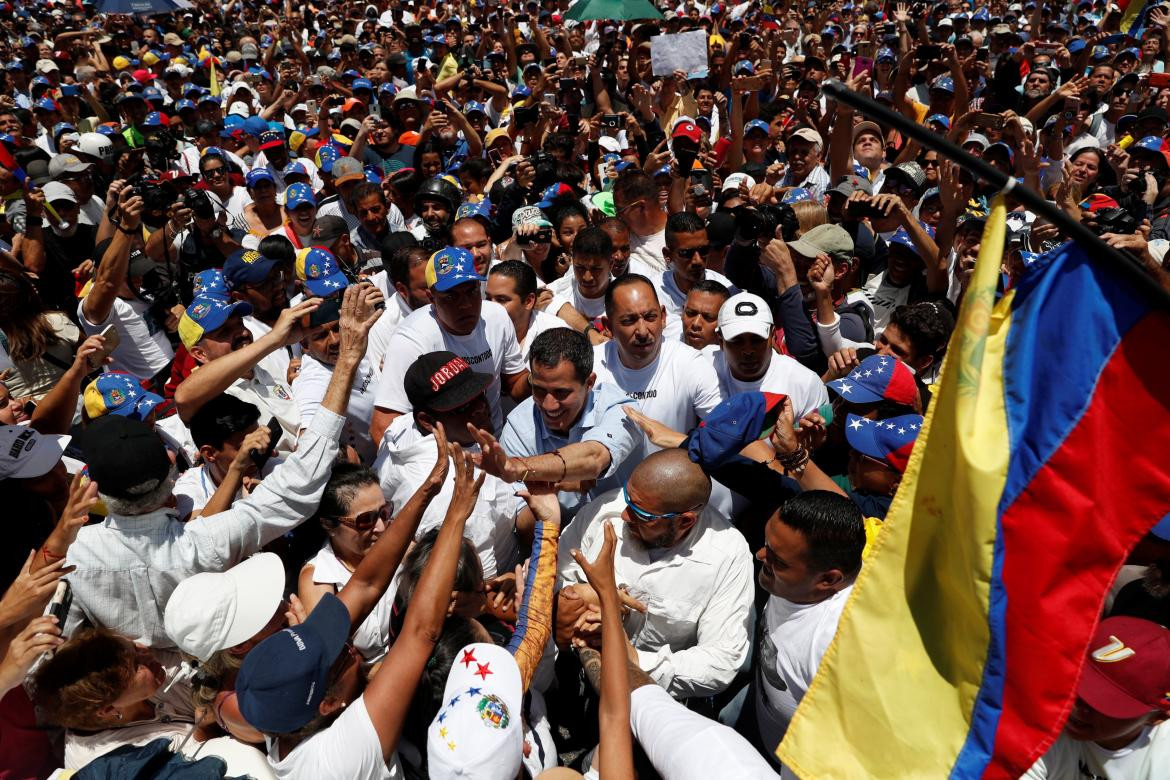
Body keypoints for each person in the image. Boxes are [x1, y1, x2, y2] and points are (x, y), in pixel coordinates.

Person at [44, 285, 382, 647]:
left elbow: (49, 646)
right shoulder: (204, 543)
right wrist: (348, 359)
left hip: (147, 689)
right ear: (172, 471)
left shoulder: (74, 556)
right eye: (222, 332)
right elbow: (303, 480)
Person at [557, 448, 755, 699]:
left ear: (685, 521)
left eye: (642, 515)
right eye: (628, 499)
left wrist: (634, 658)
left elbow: (721, 662)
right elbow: (555, 570)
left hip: (649, 699)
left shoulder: (727, 555)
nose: (625, 514)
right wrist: (582, 596)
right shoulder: (607, 507)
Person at [375, 351, 520, 580]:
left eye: (479, 394)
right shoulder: (458, 488)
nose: (481, 407)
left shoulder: (399, 428)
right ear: (427, 420)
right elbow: (480, 584)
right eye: (462, 407)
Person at [471, 328, 642, 520]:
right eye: (539, 390)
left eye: (561, 393)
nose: (548, 404)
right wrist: (546, 500)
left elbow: (594, 457)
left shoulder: (620, 409)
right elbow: (523, 524)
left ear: (589, 383)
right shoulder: (519, 427)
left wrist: (521, 468)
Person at [370, 247, 528, 444]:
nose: (465, 305)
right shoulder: (411, 340)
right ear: (431, 298)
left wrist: (537, 380)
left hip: (495, 442)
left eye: (471, 292)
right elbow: (382, 427)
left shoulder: (497, 317)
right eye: (451, 297)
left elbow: (515, 382)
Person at [753, 490, 865, 760]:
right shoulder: (796, 580)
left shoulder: (837, 648)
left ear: (828, 580)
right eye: (766, 543)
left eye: (777, 560)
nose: (759, 555)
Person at [1024, 616, 1170, 779]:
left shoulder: (1163, 759)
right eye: (1078, 687)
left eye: (1107, 702)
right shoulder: (1041, 718)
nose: (1079, 707)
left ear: (1159, 717)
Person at [592, 275, 723, 448]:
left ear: (663, 317)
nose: (642, 331)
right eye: (629, 321)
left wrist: (676, 440)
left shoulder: (690, 364)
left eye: (650, 317)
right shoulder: (590, 365)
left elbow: (725, 435)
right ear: (608, 327)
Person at [713, 292, 830, 418]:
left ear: (773, 335)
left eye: (757, 339)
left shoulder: (805, 383)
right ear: (720, 341)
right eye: (737, 340)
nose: (748, 350)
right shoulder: (703, 369)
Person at [656, 211, 736, 343]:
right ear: (667, 255)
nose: (697, 260)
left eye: (703, 251)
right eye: (686, 253)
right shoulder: (651, 293)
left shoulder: (728, 289)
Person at [486, 259, 568, 359]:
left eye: (501, 300)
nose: (491, 306)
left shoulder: (558, 334)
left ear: (529, 301)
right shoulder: (474, 331)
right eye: (488, 298)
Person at [613, 172, 668, 275]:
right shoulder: (620, 236)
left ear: (641, 206)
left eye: (620, 210)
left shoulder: (679, 235)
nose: (618, 216)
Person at [681, 280, 731, 353]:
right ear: (682, 312)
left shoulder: (731, 362)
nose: (696, 323)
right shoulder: (666, 338)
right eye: (691, 313)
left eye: (708, 317)